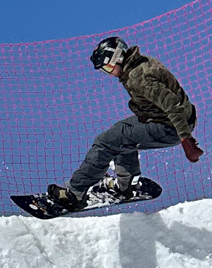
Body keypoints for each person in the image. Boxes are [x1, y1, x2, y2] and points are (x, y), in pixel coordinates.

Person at [47, 36, 203, 212]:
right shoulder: (137, 65)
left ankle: (74, 193)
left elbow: (172, 105)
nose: (108, 73)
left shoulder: (140, 77)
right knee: (118, 133)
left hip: (169, 127)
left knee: (107, 142)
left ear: (117, 58)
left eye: (107, 67)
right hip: (163, 120)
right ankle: (126, 184)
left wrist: (186, 139)